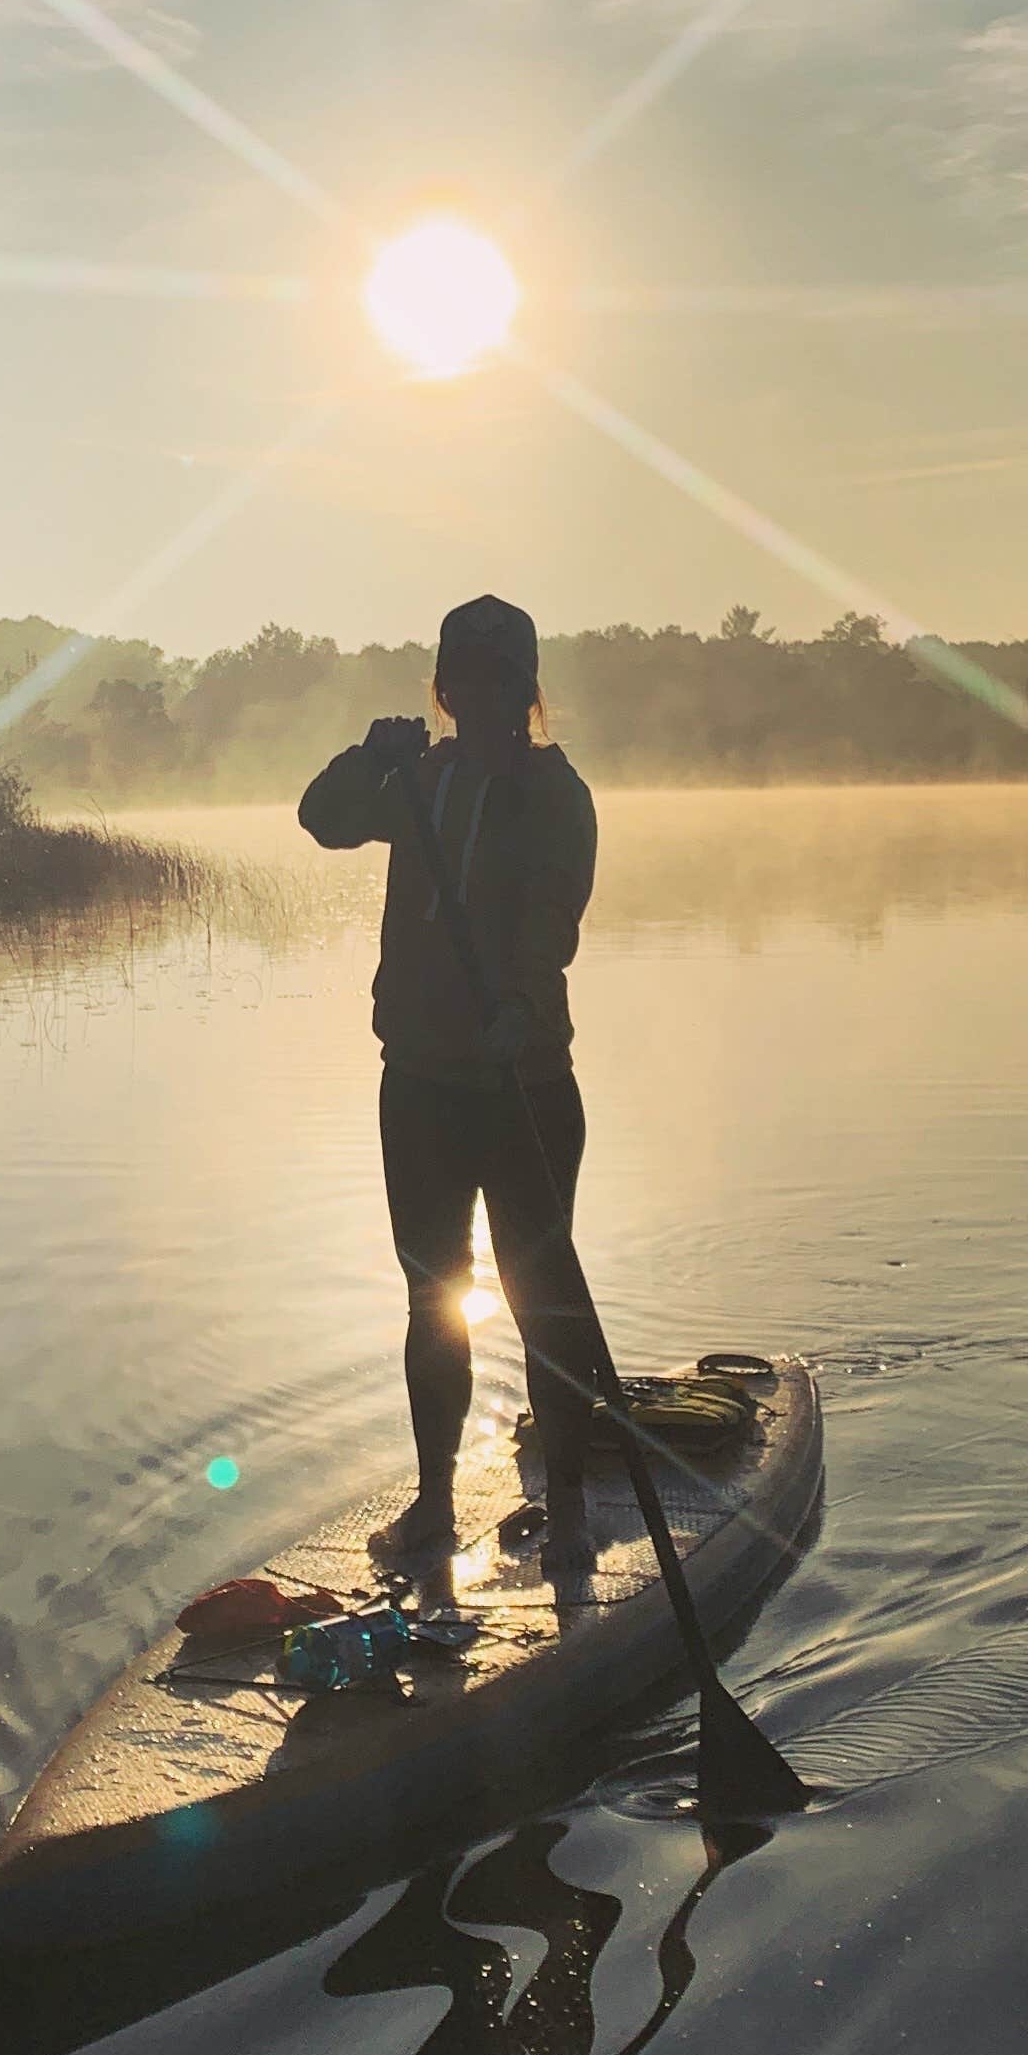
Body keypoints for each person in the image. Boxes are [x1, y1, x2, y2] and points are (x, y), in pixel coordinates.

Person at [299, 593, 600, 1573]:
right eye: (459, 677)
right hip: (421, 1086)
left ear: (524, 689)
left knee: (537, 1294)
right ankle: (435, 1503)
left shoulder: (557, 795)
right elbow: (322, 819)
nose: (477, 694)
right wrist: (365, 756)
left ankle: (572, 1506)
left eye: (496, 677)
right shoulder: (416, 782)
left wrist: (516, 1005)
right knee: (433, 1295)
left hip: (523, 1083)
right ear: (444, 687)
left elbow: (553, 914)